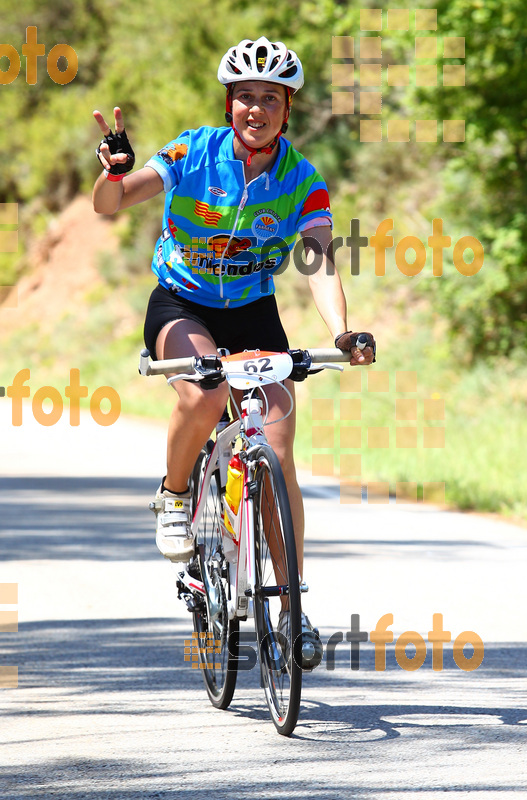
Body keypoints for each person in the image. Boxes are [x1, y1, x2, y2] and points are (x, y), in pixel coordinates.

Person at [92, 36, 375, 669]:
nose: (256, 108)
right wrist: (112, 173)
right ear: (229, 104)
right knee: (207, 392)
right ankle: (173, 493)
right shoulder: (194, 152)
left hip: (252, 313)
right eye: (245, 95)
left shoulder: (302, 180)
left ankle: (294, 605)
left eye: (269, 98)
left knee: (276, 452)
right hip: (182, 305)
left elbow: (319, 261)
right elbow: (112, 204)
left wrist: (341, 334)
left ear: (287, 109)